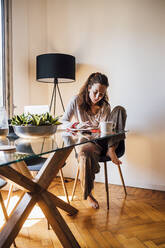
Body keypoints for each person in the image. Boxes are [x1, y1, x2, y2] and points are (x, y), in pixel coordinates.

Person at [62, 72, 127, 209]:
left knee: (120, 110)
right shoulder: (75, 101)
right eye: (95, 92)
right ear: (89, 87)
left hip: (106, 141)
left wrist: (102, 132)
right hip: (88, 142)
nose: (98, 97)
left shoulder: (105, 107)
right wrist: (77, 126)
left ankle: (111, 150)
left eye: (101, 94)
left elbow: (107, 130)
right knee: (84, 153)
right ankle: (89, 194)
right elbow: (62, 121)